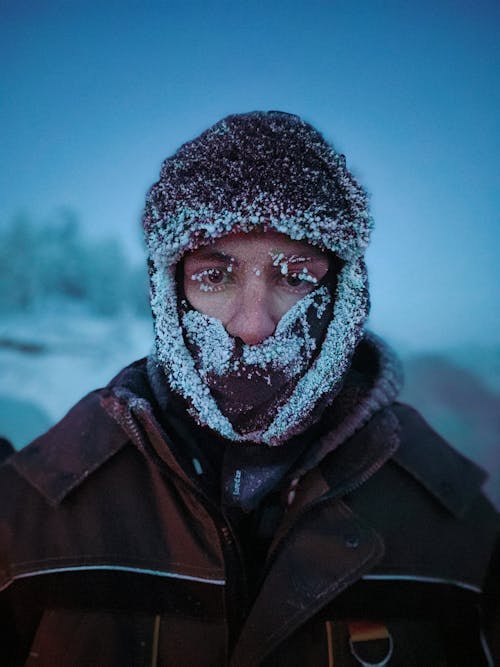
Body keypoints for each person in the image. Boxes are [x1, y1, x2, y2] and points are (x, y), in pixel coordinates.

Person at [0, 111, 498, 666]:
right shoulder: (33, 511)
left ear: (344, 295)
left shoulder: (457, 529)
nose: (253, 324)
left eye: (294, 276)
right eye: (215, 276)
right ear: (169, 294)